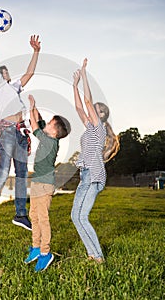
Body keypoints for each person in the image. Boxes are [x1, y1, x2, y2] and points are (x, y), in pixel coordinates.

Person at [0, 18, 41, 240]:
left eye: (5, 72)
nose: (4, 72)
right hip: (6, 131)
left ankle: (20, 215)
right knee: (4, 171)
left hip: (21, 132)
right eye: (1, 71)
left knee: (23, 173)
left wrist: (36, 52)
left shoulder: (14, 87)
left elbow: (29, 73)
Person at [71, 58, 119, 263]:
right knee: (76, 216)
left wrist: (84, 75)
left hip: (94, 174)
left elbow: (87, 102)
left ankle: (97, 256)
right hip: (86, 174)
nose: (91, 110)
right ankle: (92, 254)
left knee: (82, 217)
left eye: (97, 110)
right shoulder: (90, 128)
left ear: (101, 116)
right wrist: (74, 86)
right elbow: (79, 107)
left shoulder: (99, 128)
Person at [24, 95, 71, 271]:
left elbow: (35, 126)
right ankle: (36, 247)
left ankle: (46, 252)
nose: (47, 123)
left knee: (43, 218)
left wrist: (31, 108)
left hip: (45, 184)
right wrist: (34, 107)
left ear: (54, 132)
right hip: (37, 182)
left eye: (50, 123)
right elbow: (38, 120)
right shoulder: (49, 134)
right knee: (33, 216)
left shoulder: (50, 141)